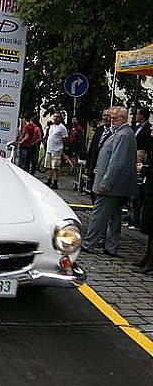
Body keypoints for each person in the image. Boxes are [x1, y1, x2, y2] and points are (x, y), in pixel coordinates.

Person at [81, 106, 137, 257]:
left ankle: (89, 243)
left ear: (123, 118)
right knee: (114, 217)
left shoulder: (123, 134)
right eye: (111, 118)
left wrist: (105, 183)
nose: (111, 121)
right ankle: (111, 247)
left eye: (114, 118)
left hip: (111, 186)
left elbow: (116, 163)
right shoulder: (123, 133)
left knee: (99, 215)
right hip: (115, 185)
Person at [125, 107, 151, 229]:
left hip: (140, 158)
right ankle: (130, 215)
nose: (135, 116)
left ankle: (135, 219)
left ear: (143, 116)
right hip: (133, 157)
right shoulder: (136, 127)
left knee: (137, 191)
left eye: (137, 114)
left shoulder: (147, 128)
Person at [86, 109, 113, 203]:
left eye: (108, 116)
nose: (105, 118)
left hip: (104, 167)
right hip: (94, 166)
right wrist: (88, 165)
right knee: (93, 190)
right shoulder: (99, 130)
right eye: (104, 115)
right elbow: (92, 148)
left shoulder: (114, 133)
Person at [137, 131, 153, 272]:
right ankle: (147, 256)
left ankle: (150, 261)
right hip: (149, 190)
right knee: (148, 227)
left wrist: (144, 168)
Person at [45, 112, 68, 189]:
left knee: (55, 167)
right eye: (54, 116)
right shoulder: (52, 126)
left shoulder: (62, 127)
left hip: (57, 149)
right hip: (49, 149)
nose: (55, 118)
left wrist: (64, 148)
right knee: (48, 166)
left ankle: (55, 182)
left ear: (60, 118)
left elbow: (65, 138)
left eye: (57, 117)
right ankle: (49, 179)